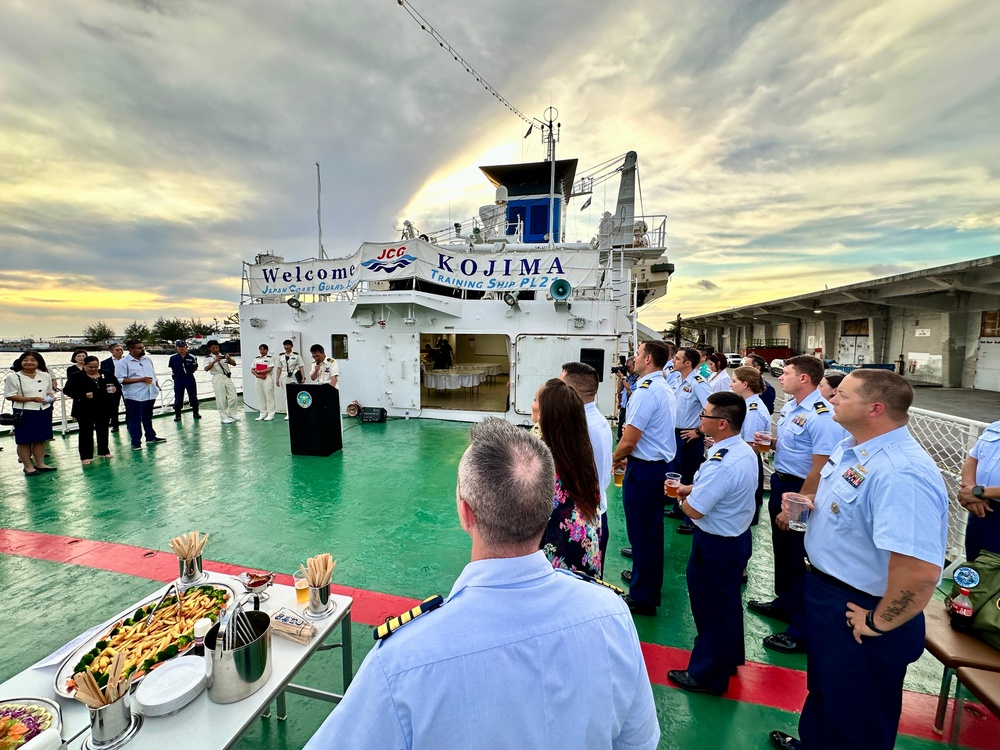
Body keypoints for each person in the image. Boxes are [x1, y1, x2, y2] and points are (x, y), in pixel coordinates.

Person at [303, 417, 659, 750]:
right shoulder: (611, 615)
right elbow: (638, 741)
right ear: (547, 507)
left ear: (465, 512)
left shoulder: (403, 662)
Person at [768, 370, 947, 750]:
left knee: (858, 718)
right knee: (827, 691)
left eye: (842, 395)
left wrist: (879, 622)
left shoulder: (902, 473)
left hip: (859, 609)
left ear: (875, 408)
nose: (831, 399)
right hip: (827, 595)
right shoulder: (853, 447)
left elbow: (919, 571)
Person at [748, 355, 844, 655]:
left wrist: (796, 505)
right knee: (783, 550)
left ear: (804, 378)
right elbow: (797, 447)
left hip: (801, 490)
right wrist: (773, 443)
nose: (781, 377)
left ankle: (801, 630)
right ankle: (785, 602)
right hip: (781, 481)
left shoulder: (821, 415)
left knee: (800, 557)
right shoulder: (791, 407)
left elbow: (820, 466)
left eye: (787, 373)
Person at [668, 392, 757, 696]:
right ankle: (727, 658)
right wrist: (690, 488)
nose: (699, 419)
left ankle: (706, 675)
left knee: (710, 609)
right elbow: (716, 490)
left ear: (721, 423)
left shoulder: (723, 463)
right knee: (727, 605)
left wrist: (682, 498)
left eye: (704, 415)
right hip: (734, 541)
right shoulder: (741, 451)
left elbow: (695, 510)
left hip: (715, 545)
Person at [613, 340, 677, 615]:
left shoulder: (646, 391)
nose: (634, 358)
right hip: (655, 467)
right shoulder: (661, 386)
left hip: (646, 470)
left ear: (648, 359)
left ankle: (643, 597)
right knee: (648, 532)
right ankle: (645, 580)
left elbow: (629, 439)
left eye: (638, 354)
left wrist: (612, 459)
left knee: (643, 533)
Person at [533, 378, 603, 579]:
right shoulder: (579, 458)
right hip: (583, 564)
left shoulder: (542, 469)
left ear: (545, 415)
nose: (532, 405)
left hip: (556, 571)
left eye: (535, 400)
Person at [560, 361, 613, 563]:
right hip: (594, 511)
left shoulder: (582, 427)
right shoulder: (596, 420)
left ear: (571, 390)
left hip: (581, 521)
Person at [670, 347, 712, 532]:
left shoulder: (698, 383)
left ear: (687, 363)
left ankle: (690, 519)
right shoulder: (678, 381)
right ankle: (677, 509)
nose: (673, 360)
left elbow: (712, 409)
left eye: (677, 358)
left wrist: (699, 431)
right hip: (675, 434)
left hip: (689, 436)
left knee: (688, 475)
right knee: (676, 473)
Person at [731, 365, 772, 528]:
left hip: (747, 462)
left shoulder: (753, 411)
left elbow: (751, 446)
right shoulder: (747, 405)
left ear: (745, 384)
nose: (731, 385)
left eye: (734, 381)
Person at [4, 351, 57, 475]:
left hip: (42, 410)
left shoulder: (45, 375)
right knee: (24, 440)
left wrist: (50, 399)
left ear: (38, 362)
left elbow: (49, 392)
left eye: (33, 360)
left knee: (40, 438)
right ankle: (28, 466)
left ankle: (40, 463)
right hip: (25, 411)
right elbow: (10, 395)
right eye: (25, 360)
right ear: (20, 362)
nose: (29, 362)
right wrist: (31, 399)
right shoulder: (14, 377)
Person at [958, 419, 1000, 558]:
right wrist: (971, 490)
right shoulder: (995, 427)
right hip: (982, 509)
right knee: (974, 564)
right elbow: (972, 459)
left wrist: (978, 492)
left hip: (983, 499)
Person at [115, 340, 166, 451]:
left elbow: (153, 373)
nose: (142, 349)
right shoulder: (123, 363)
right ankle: (136, 442)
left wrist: (156, 385)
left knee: (148, 417)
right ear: (131, 349)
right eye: (139, 348)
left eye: (143, 347)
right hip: (134, 395)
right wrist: (140, 380)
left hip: (149, 393)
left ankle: (150, 437)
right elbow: (120, 379)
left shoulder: (147, 360)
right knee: (135, 419)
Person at [63, 356, 114, 464]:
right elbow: (67, 390)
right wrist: (83, 395)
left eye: (96, 366)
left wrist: (114, 389)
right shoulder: (76, 376)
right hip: (84, 408)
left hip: (103, 406)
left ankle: (104, 451)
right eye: (90, 367)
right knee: (85, 432)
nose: (94, 369)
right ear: (84, 365)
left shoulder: (105, 373)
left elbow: (116, 385)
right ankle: (85, 456)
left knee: (103, 429)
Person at [204, 340, 240, 423]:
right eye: (213, 348)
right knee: (221, 398)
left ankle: (232, 413)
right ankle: (223, 417)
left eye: (217, 347)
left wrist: (229, 358)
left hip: (227, 377)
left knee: (233, 396)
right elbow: (206, 368)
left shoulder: (223, 356)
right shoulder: (208, 358)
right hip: (217, 377)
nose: (216, 349)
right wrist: (214, 361)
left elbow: (234, 364)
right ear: (210, 349)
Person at [168, 340, 201, 421]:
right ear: (176, 348)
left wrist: (190, 372)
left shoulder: (192, 357)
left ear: (186, 347)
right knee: (178, 396)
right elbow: (172, 367)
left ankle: (195, 412)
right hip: (178, 378)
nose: (181, 349)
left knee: (193, 395)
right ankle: (178, 414)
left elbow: (195, 367)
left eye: (183, 347)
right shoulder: (173, 358)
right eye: (179, 347)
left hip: (189, 377)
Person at [275, 339, 305, 420]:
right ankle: (289, 413)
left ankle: (298, 412)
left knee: (297, 394)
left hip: (294, 375)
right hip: (284, 375)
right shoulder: (280, 356)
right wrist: (277, 379)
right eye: (285, 345)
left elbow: (301, 367)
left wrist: (303, 377)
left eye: (288, 345)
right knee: (286, 395)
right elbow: (279, 368)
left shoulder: (296, 355)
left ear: (291, 346)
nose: (286, 347)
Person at [100, 342, 125, 432]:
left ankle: (130, 423)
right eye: (117, 350)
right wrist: (110, 386)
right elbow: (105, 376)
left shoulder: (127, 360)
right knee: (113, 406)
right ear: (111, 351)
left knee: (129, 405)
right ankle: (115, 424)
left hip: (127, 385)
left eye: (121, 349)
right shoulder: (105, 363)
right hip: (113, 387)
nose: (120, 351)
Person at [252, 344, 275, 421]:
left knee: (269, 396)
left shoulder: (270, 358)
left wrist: (259, 371)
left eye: (263, 349)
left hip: (267, 378)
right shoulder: (256, 359)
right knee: (260, 396)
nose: (262, 351)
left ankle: (271, 414)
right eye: (260, 349)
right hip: (258, 378)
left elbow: (270, 369)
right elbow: (252, 369)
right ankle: (262, 413)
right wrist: (257, 375)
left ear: (267, 350)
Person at [616, 356, 637, 440]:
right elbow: (619, 389)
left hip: (629, 409)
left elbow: (630, 390)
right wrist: (621, 377)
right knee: (620, 435)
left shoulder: (637, 378)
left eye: (629, 367)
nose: (628, 369)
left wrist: (623, 378)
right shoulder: (629, 377)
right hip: (623, 408)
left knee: (625, 435)